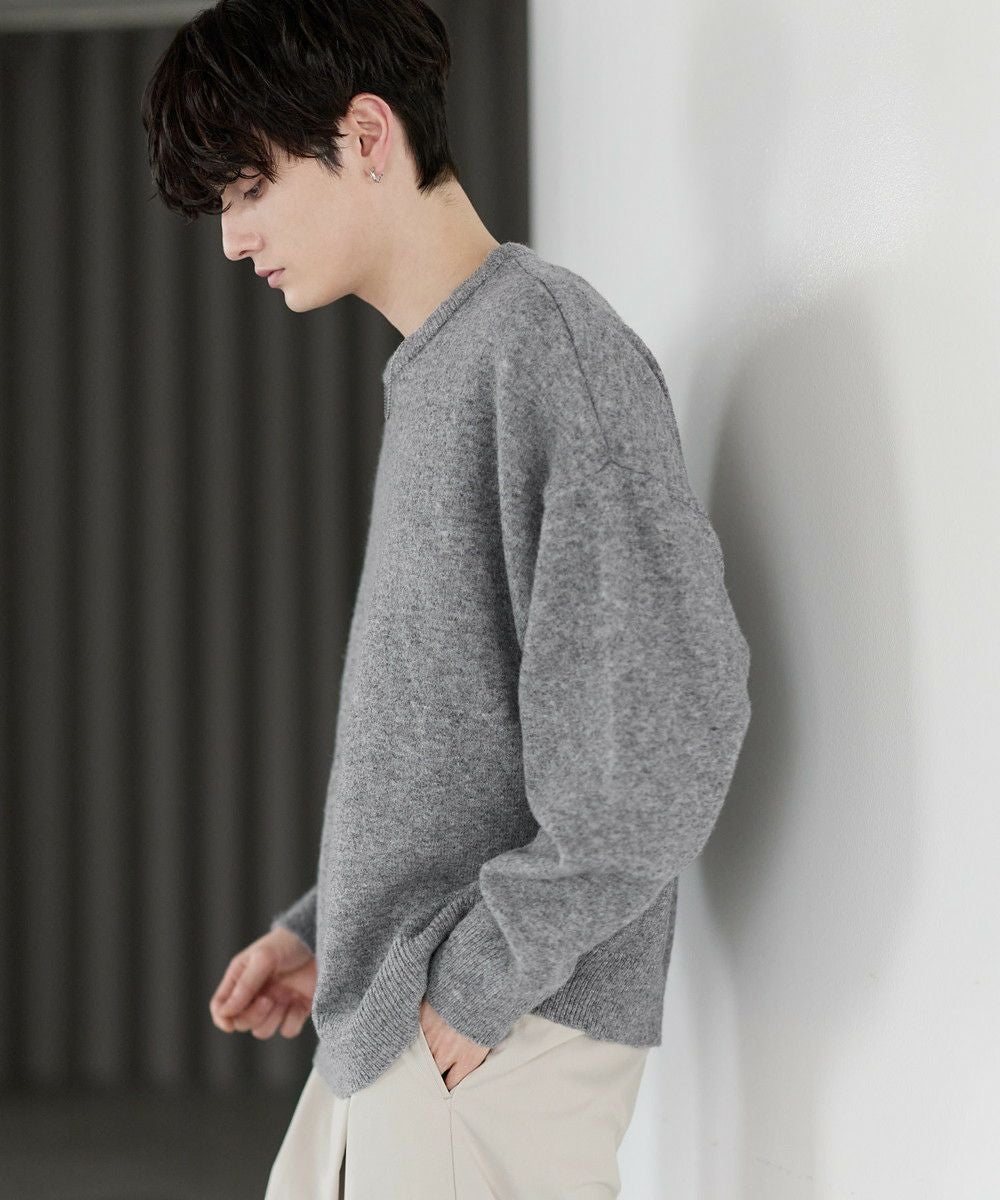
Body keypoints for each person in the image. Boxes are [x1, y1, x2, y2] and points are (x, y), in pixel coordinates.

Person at [141, 2, 752, 1195]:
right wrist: (332, 927)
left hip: (485, 1047)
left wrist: (475, 982)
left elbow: (669, 732)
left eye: (249, 187)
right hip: (405, 1024)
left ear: (367, 135)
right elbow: (464, 731)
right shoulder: (449, 364)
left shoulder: (541, 347)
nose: (232, 239)